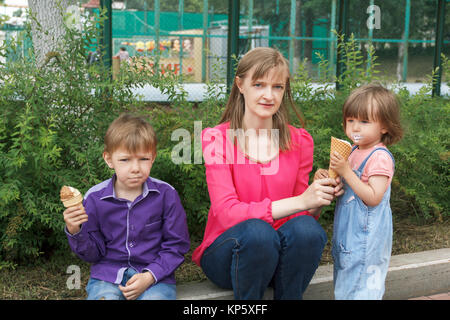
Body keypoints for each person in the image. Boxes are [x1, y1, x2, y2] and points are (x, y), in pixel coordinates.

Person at [192, 47, 343, 300]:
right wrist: (301, 200)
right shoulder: (217, 139)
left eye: (277, 87)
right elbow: (227, 213)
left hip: (279, 257)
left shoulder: (300, 141)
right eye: (259, 84)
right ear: (241, 85)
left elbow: (300, 216)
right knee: (257, 233)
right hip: (229, 255)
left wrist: (316, 198)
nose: (268, 95)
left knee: (307, 229)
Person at [63, 114, 190, 300]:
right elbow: (92, 254)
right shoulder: (94, 198)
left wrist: (150, 276)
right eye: (125, 160)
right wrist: (75, 230)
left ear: (153, 157)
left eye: (143, 159)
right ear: (109, 159)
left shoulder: (166, 195)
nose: (135, 168)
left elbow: (176, 245)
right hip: (107, 277)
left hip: (155, 278)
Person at [316, 83, 403, 299]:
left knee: (362, 290)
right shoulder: (354, 151)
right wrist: (331, 179)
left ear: (384, 126)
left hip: (367, 241)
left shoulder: (379, 157)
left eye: (364, 121)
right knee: (346, 287)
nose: (355, 127)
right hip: (348, 237)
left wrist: (346, 171)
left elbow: (373, 197)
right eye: (350, 120)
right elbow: (351, 189)